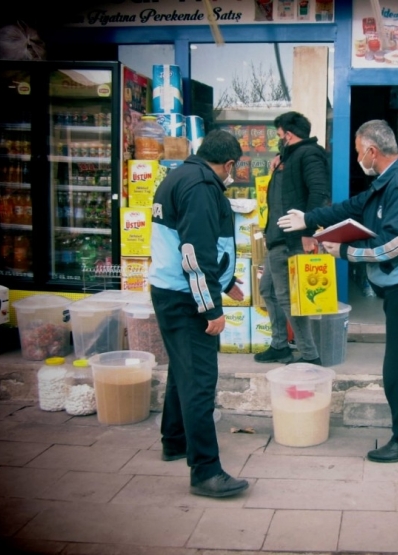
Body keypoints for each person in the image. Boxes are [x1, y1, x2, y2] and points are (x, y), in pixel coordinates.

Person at [278, 119, 398, 463]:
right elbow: (351, 208)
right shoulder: (385, 181)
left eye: (359, 152)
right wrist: (310, 218)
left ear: (373, 151)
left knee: (397, 367)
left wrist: (343, 252)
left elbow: (395, 245)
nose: (359, 157)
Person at [149, 129, 249, 498]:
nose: (231, 174)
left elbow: (196, 248)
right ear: (228, 164)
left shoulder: (179, 176)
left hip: (171, 289)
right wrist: (211, 308)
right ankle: (206, 471)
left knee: (183, 370)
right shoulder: (202, 187)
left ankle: (174, 440)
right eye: (233, 169)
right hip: (185, 298)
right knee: (200, 382)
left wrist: (225, 281)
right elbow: (193, 252)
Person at [253, 111, 331, 366]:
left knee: (289, 298)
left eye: (279, 135)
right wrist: (280, 160)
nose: (278, 140)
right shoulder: (291, 156)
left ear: (289, 134)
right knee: (268, 290)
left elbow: (319, 192)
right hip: (278, 238)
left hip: (293, 240)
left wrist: (309, 233)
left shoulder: (309, 154)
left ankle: (310, 355)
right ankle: (279, 345)